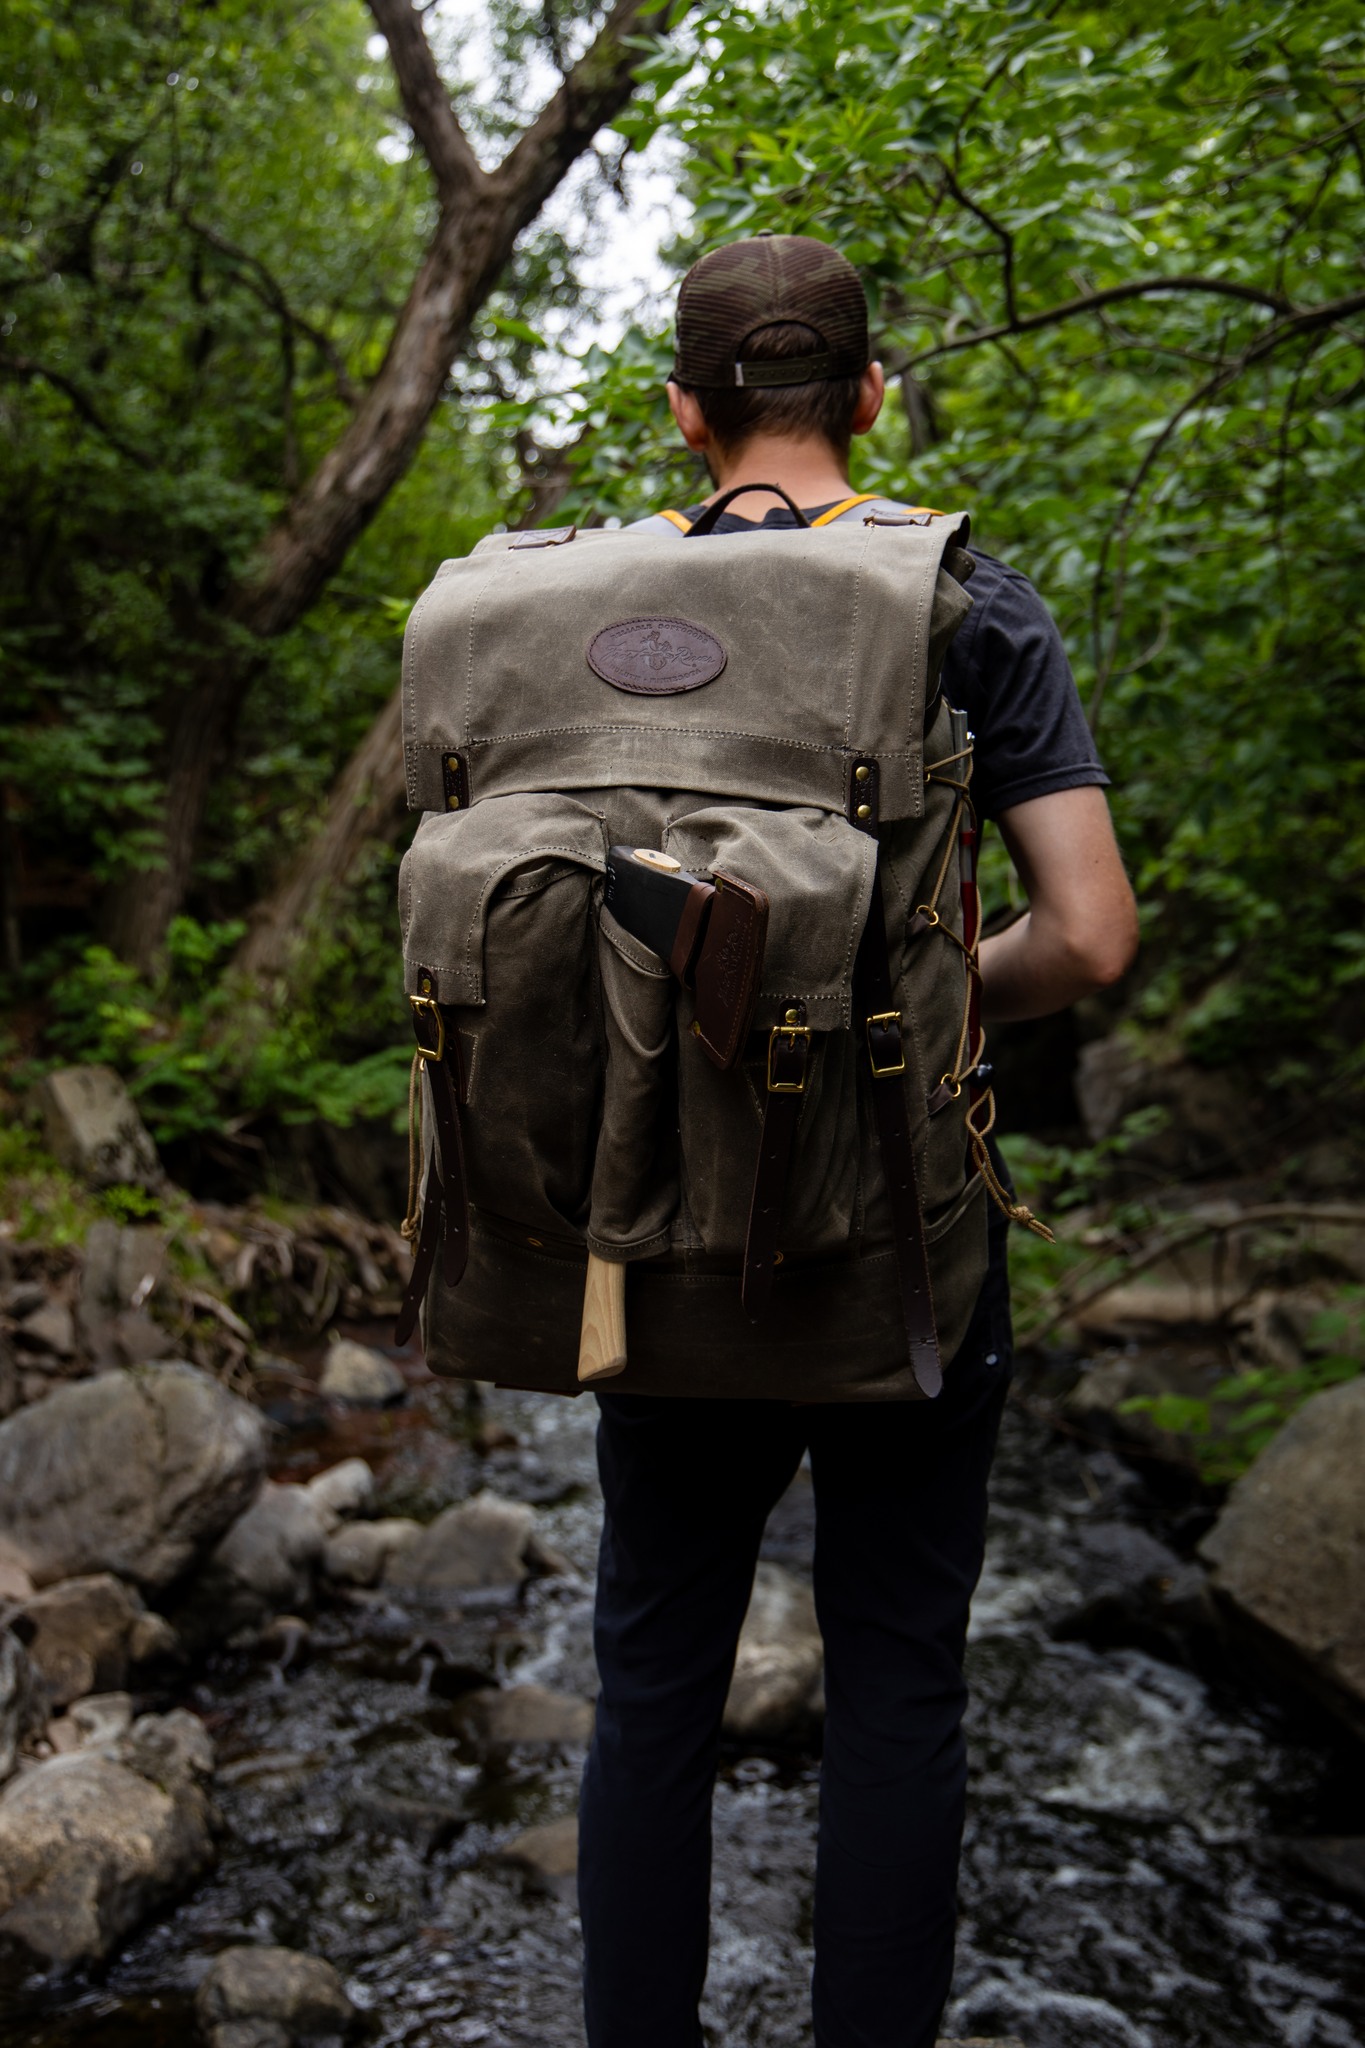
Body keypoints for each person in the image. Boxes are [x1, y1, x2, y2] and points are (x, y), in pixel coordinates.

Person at [576, 233, 1139, 2048]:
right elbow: (1089, 937)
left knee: (653, 1688)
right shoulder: (966, 605)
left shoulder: (572, 621)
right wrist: (908, 1002)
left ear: (686, 413)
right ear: (873, 396)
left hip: (650, 1238)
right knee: (896, 1687)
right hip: (899, 1245)